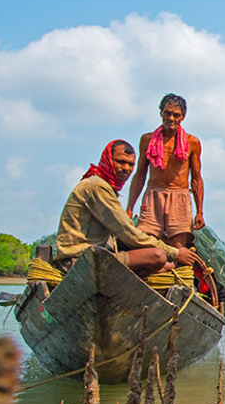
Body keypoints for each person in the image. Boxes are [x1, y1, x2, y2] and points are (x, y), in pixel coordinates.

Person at [55, 140, 202, 275]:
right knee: (158, 256)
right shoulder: (97, 187)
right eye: (120, 162)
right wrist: (175, 253)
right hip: (79, 260)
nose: (126, 168)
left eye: (131, 164)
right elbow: (127, 232)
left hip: (92, 256)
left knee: (164, 264)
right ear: (108, 160)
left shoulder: (104, 186)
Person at [126, 93, 204, 249]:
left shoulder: (192, 142)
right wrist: (129, 207)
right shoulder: (147, 140)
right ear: (161, 113)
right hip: (153, 194)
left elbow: (196, 179)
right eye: (167, 113)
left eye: (176, 115)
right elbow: (140, 175)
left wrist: (199, 212)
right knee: (147, 244)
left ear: (183, 117)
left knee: (178, 247)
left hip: (180, 195)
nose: (171, 118)